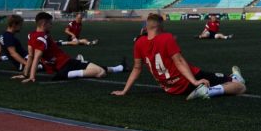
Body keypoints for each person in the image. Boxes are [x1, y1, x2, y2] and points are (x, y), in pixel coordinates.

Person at [112, 13, 246, 100]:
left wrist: (124, 91)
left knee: (225, 78)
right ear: (160, 26)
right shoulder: (166, 37)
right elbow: (179, 61)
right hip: (187, 80)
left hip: (171, 89)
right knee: (240, 86)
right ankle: (210, 91)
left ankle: (233, 76)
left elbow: (136, 68)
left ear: (146, 27)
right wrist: (194, 81)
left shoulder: (139, 42)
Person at [16, 11, 124, 83]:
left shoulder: (31, 35)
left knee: (91, 66)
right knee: (100, 72)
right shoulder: (42, 38)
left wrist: (25, 74)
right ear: (44, 24)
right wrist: (31, 77)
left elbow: (30, 56)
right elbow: (35, 58)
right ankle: (69, 74)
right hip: (65, 65)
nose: (51, 25)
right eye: (50, 23)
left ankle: (119, 68)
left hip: (66, 63)